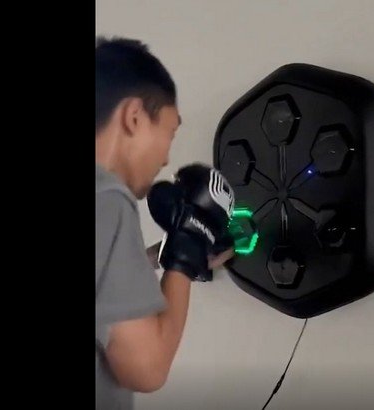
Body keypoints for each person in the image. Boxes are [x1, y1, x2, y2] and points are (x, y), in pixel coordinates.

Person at [95, 36, 234, 410]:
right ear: (134, 117)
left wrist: (159, 256)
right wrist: (187, 250)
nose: (166, 159)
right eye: (169, 133)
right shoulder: (108, 197)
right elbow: (146, 368)